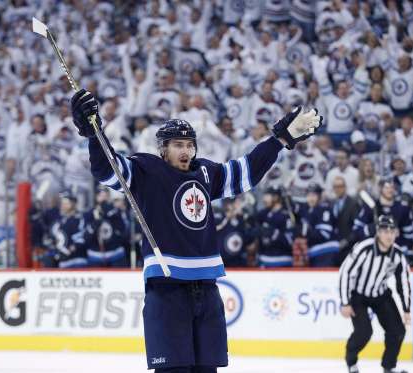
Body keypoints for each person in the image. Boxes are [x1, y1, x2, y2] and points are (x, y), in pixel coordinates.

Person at [71, 88, 322, 372]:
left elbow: (247, 172)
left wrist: (279, 140)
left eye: (190, 145)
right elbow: (107, 169)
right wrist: (94, 133)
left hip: (208, 289)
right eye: (178, 144)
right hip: (167, 292)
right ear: (163, 149)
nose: (186, 151)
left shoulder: (205, 173)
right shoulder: (147, 172)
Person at [339, 215, 411, 373]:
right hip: (358, 295)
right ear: (378, 232)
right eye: (385, 231)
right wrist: (345, 302)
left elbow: (403, 282)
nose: (389, 235)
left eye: (393, 231)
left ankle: (388, 367)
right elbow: (345, 272)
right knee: (364, 332)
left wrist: (406, 309)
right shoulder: (364, 248)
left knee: (397, 331)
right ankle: (351, 361)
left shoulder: (398, 255)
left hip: (381, 294)